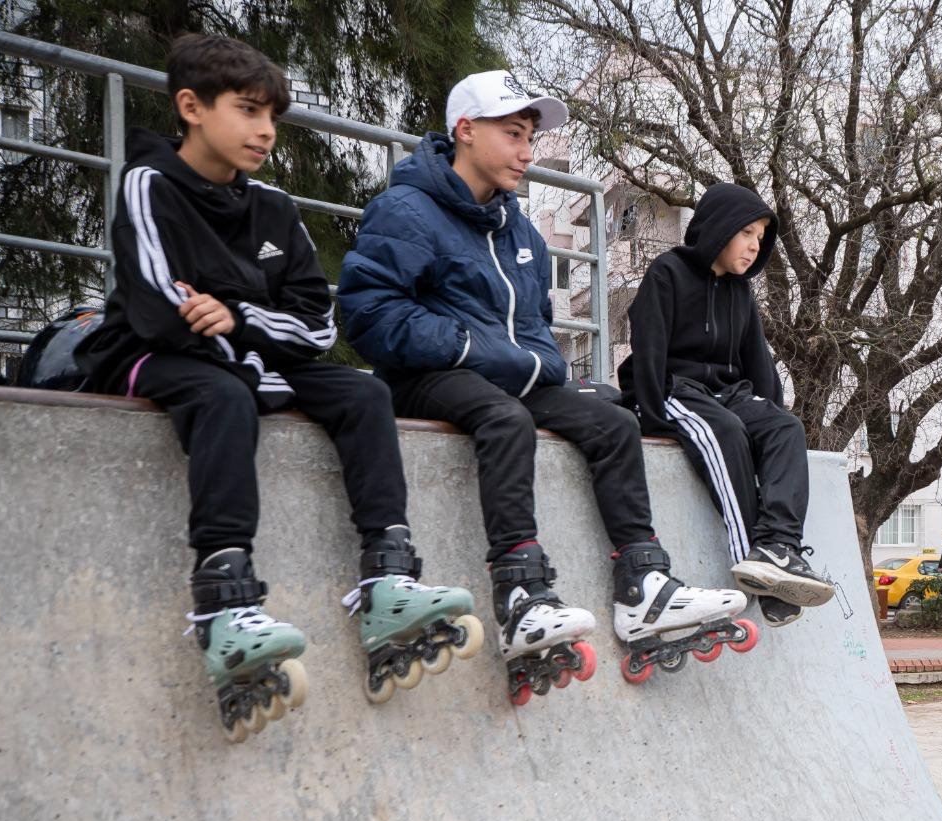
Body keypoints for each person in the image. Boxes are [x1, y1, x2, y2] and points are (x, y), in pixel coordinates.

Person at [75, 34, 479, 739]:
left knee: (364, 394)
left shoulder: (273, 208)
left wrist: (238, 319)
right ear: (191, 107)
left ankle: (387, 577)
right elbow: (161, 307)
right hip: (147, 355)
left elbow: (317, 325)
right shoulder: (149, 185)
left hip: (247, 358)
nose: (265, 131)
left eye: (273, 117)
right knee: (224, 393)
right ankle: (224, 604)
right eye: (248, 111)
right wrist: (248, 338)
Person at [336, 70, 750, 700]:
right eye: (514, 134)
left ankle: (643, 587)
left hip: (512, 378)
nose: (528, 151)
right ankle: (522, 593)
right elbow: (369, 314)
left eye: (530, 135)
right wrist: (471, 348)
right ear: (466, 131)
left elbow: (534, 327)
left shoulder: (519, 232)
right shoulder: (405, 210)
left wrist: (539, 365)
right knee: (505, 420)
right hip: (427, 378)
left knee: (614, 421)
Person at [620, 182, 835, 628]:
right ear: (720, 230)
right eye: (747, 234)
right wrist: (653, 410)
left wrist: (770, 417)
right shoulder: (668, 272)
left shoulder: (740, 292)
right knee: (726, 433)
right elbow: (648, 343)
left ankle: (779, 547)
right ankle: (758, 573)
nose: (755, 245)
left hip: (727, 394)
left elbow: (758, 361)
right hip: (675, 390)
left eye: (761, 237)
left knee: (786, 428)